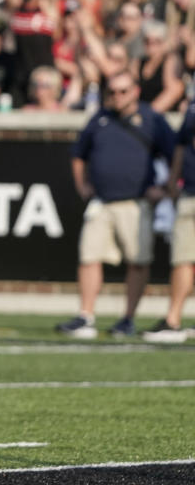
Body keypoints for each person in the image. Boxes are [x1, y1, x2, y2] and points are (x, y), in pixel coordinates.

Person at [56, 70, 175, 340]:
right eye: (112, 92)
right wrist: (81, 185)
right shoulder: (100, 118)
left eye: (123, 91)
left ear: (135, 91)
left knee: (138, 260)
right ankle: (85, 316)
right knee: (89, 256)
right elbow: (78, 154)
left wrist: (167, 188)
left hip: (135, 201)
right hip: (102, 201)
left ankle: (128, 318)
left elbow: (174, 154)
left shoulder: (152, 120)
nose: (116, 97)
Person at [143, 101, 195, 343]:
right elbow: (182, 144)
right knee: (183, 258)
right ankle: (172, 320)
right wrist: (173, 180)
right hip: (190, 193)